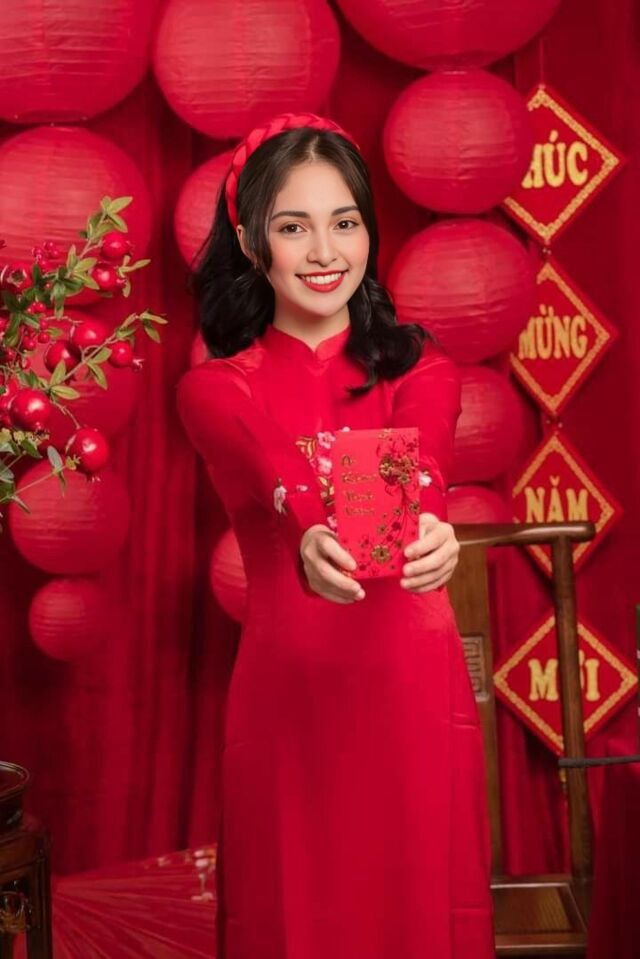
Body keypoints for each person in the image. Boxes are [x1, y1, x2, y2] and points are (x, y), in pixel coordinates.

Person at [176, 112, 495, 959]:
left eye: (344, 222)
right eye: (294, 227)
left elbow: (425, 455)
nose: (325, 251)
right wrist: (311, 534)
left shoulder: (422, 368)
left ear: (369, 232)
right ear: (252, 243)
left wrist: (432, 522)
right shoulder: (218, 388)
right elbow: (271, 464)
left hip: (413, 696)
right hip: (291, 705)